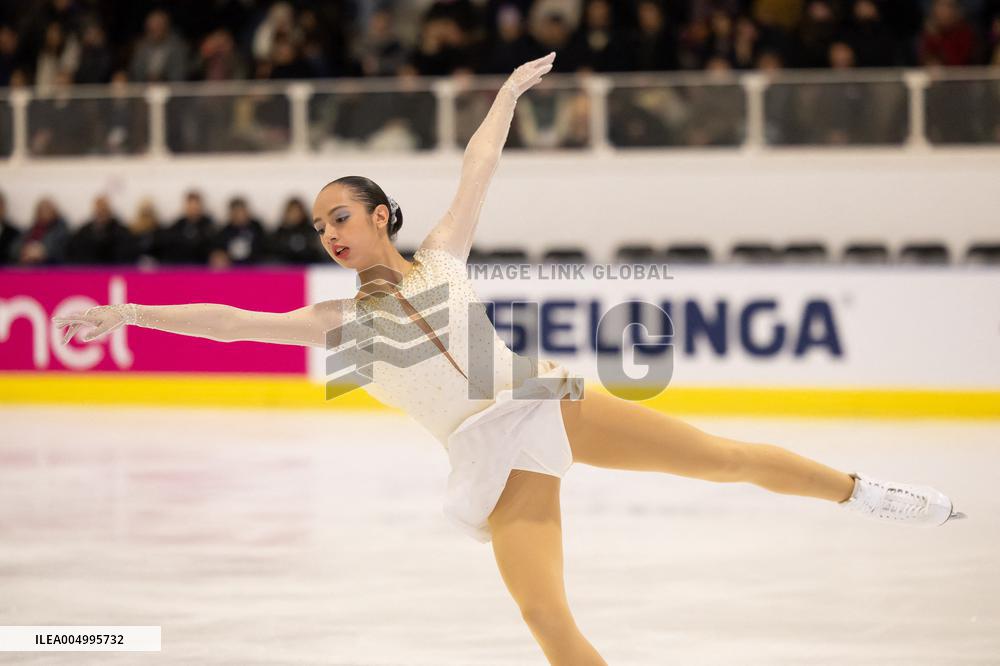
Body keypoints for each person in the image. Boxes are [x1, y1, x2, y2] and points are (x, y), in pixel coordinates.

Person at [51, 53, 966, 665]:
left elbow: (478, 162)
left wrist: (507, 96)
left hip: (543, 405)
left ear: (381, 216)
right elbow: (228, 324)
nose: (327, 232)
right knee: (545, 619)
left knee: (722, 458)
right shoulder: (336, 321)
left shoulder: (445, 250)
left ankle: (867, 492)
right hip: (487, 459)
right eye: (317, 224)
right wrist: (124, 308)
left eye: (340, 215)